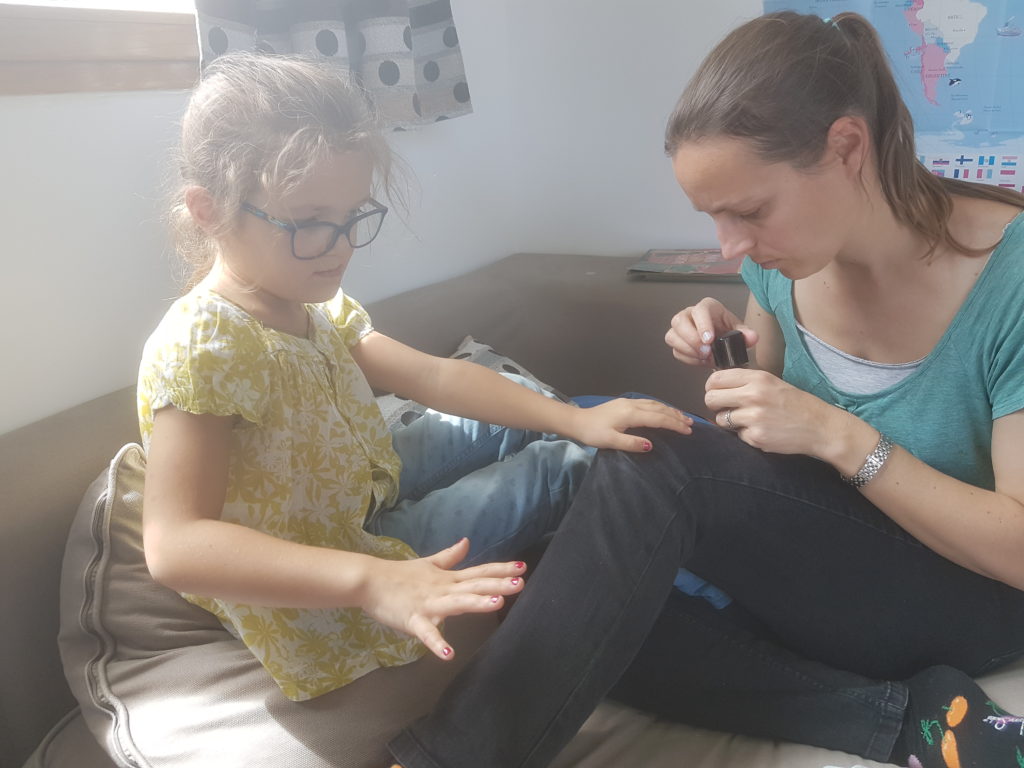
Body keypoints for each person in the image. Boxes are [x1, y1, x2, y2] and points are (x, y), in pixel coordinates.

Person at [137, 50, 692, 763]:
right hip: (335, 566)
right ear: (208, 211)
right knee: (572, 468)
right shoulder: (203, 344)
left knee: (559, 415)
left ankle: (591, 446)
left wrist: (573, 418)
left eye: (353, 216)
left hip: (360, 482)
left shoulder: (313, 303)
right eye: (310, 221)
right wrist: (375, 579)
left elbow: (433, 376)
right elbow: (175, 544)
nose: (340, 247)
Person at [579, 9, 1024, 768]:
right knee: (578, 598)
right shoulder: (779, 267)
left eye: (749, 211)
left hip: (977, 596)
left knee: (651, 462)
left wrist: (838, 435)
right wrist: (730, 362)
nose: (731, 247)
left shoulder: (1008, 280)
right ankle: (907, 721)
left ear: (847, 147)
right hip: (832, 576)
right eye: (715, 218)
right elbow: (770, 459)